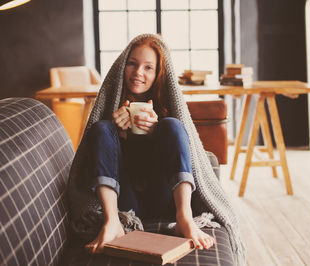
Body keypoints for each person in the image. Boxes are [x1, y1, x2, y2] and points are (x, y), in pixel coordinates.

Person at [68, 34, 245, 265]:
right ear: (123, 66)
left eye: (148, 67)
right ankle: (111, 223)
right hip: (125, 202)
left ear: (158, 73)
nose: (138, 72)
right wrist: (117, 133)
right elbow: (91, 158)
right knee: (101, 129)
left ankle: (185, 218)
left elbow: (185, 149)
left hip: (163, 197)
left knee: (172, 124)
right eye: (132, 63)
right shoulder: (113, 104)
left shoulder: (166, 104)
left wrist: (155, 132)